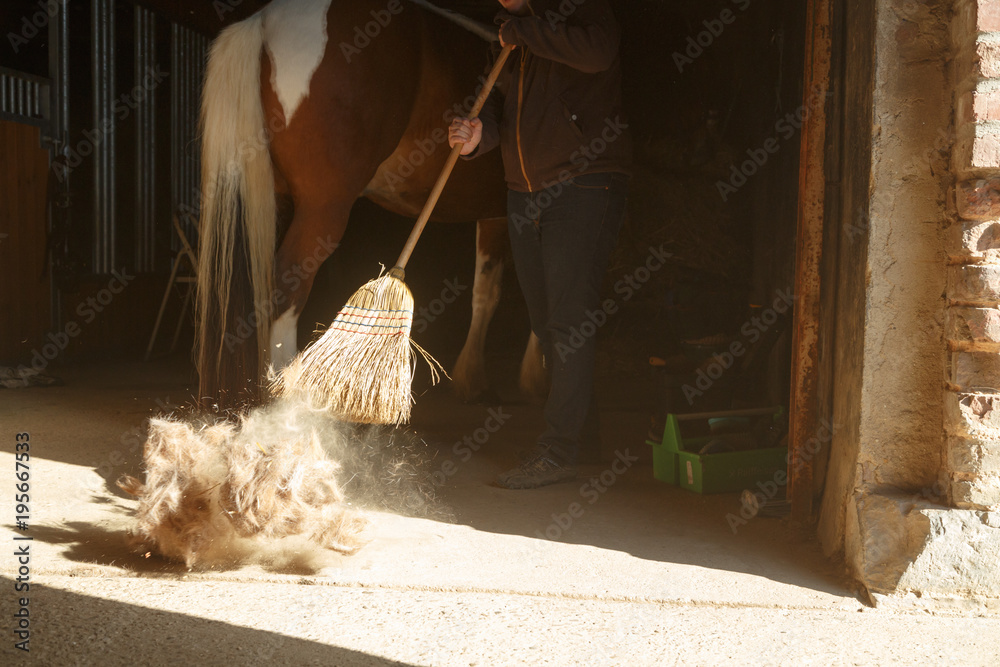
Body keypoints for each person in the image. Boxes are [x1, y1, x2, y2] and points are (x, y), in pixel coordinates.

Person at [448, 0, 632, 489]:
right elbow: (495, 104)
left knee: (569, 320)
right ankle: (582, 440)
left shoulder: (579, 14)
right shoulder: (509, 37)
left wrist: (524, 31)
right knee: (547, 321)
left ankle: (557, 451)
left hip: (584, 185)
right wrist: (476, 134)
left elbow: (597, 53)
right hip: (524, 192)